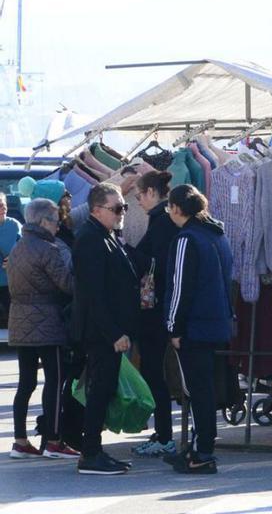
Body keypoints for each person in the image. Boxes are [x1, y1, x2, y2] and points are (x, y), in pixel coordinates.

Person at [160, 185, 234, 474]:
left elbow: (180, 288)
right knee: (205, 388)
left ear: (177, 209)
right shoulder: (217, 235)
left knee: (197, 389)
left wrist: (173, 327)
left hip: (194, 326)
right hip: (216, 322)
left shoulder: (186, 240)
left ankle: (202, 451)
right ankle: (200, 447)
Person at [71, 183, 139, 475]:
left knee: (104, 389)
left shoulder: (106, 235)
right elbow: (93, 294)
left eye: (124, 207)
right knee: (99, 390)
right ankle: (90, 453)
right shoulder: (90, 239)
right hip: (100, 332)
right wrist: (114, 333)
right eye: (116, 208)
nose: (122, 213)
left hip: (108, 330)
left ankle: (95, 450)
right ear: (97, 210)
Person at [7, 199, 79, 460]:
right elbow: (67, 284)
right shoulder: (48, 249)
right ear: (43, 222)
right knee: (54, 380)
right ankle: (53, 440)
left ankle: (20, 440)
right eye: (55, 221)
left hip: (19, 320)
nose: (58, 227)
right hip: (47, 321)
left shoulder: (18, 247)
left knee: (25, 383)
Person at [128, 171, 180, 458]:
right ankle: (162, 433)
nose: (138, 202)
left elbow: (155, 263)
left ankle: (164, 434)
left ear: (151, 193)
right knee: (155, 372)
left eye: (138, 196)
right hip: (162, 307)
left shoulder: (161, 221)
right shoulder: (163, 219)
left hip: (156, 309)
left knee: (153, 372)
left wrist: (125, 251)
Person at [0, 194, 23, 327]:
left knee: (13, 320)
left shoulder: (15, 225)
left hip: (11, 283)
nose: (3, 207)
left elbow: (26, 247)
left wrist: (16, 258)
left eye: (3, 204)